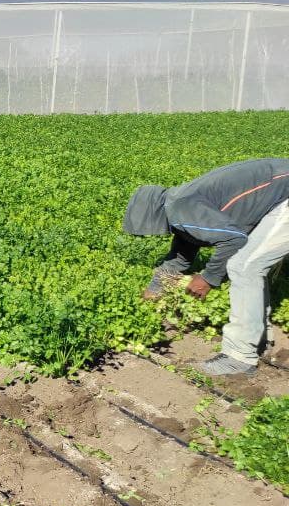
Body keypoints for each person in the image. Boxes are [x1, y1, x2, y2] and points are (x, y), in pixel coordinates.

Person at [123, 157, 289, 376]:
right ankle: (258, 340)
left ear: (150, 216)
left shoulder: (181, 209)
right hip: (279, 190)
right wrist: (153, 291)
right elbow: (181, 257)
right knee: (252, 263)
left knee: (244, 267)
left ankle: (239, 360)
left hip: (284, 194)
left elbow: (234, 239)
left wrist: (208, 278)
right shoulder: (178, 204)